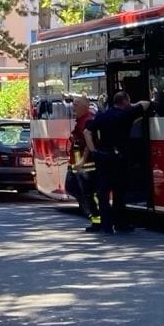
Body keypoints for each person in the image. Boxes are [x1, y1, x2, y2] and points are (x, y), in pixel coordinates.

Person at [87, 91, 151, 235]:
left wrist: (94, 152)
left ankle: (107, 226)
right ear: (126, 102)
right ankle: (120, 223)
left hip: (103, 158)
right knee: (119, 193)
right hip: (119, 159)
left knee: (103, 194)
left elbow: (87, 132)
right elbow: (146, 104)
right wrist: (131, 105)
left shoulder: (102, 115)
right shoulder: (127, 114)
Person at [67, 96, 101, 232]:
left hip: (87, 165)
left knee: (89, 194)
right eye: (73, 104)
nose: (73, 107)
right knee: (72, 187)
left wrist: (81, 161)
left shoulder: (87, 121)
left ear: (84, 106)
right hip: (78, 164)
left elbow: (89, 142)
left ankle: (98, 219)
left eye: (76, 105)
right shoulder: (81, 120)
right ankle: (93, 216)